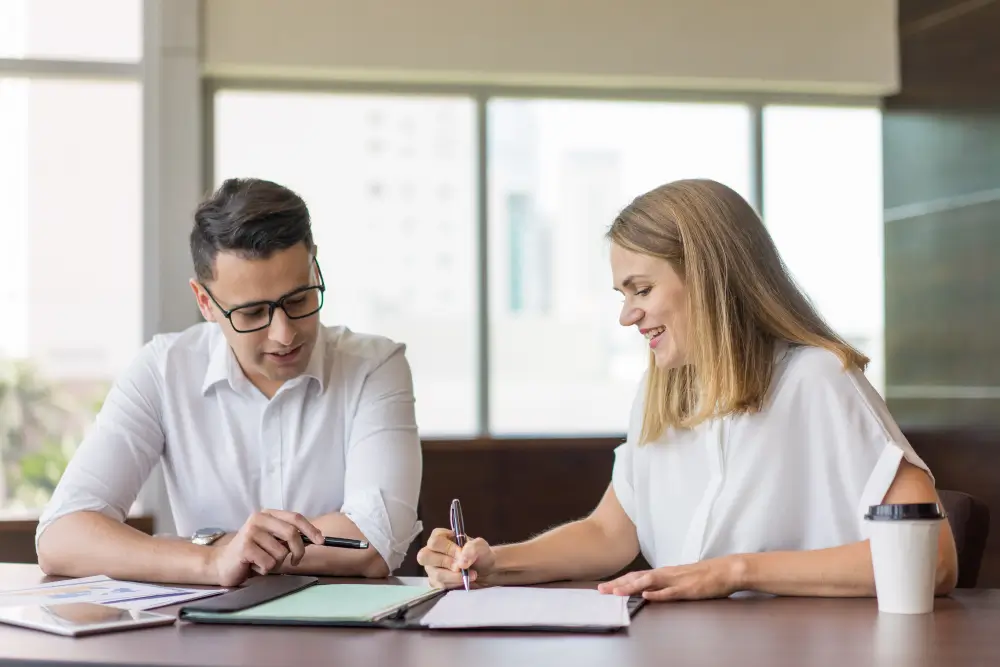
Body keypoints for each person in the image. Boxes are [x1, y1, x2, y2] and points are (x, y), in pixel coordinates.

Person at [418, 178, 958, 601]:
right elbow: (610, 534)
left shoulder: (818, 379)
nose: (628, 315)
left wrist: (734, 571)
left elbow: (931, 559)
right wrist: (495, 564)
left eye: (643, 289)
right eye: (622, 293)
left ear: (709, 278)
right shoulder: (663, 393)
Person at [36, 178, 423, 587]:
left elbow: (375, 540)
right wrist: (213, 562)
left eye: (298, 300)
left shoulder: (375, 366)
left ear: (316, 267)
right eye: (253, 313)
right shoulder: (163, 370)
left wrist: (224, 543)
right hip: (202, 640)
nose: (284, 334)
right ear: (205, 302)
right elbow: (61, 537)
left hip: (345, 639)